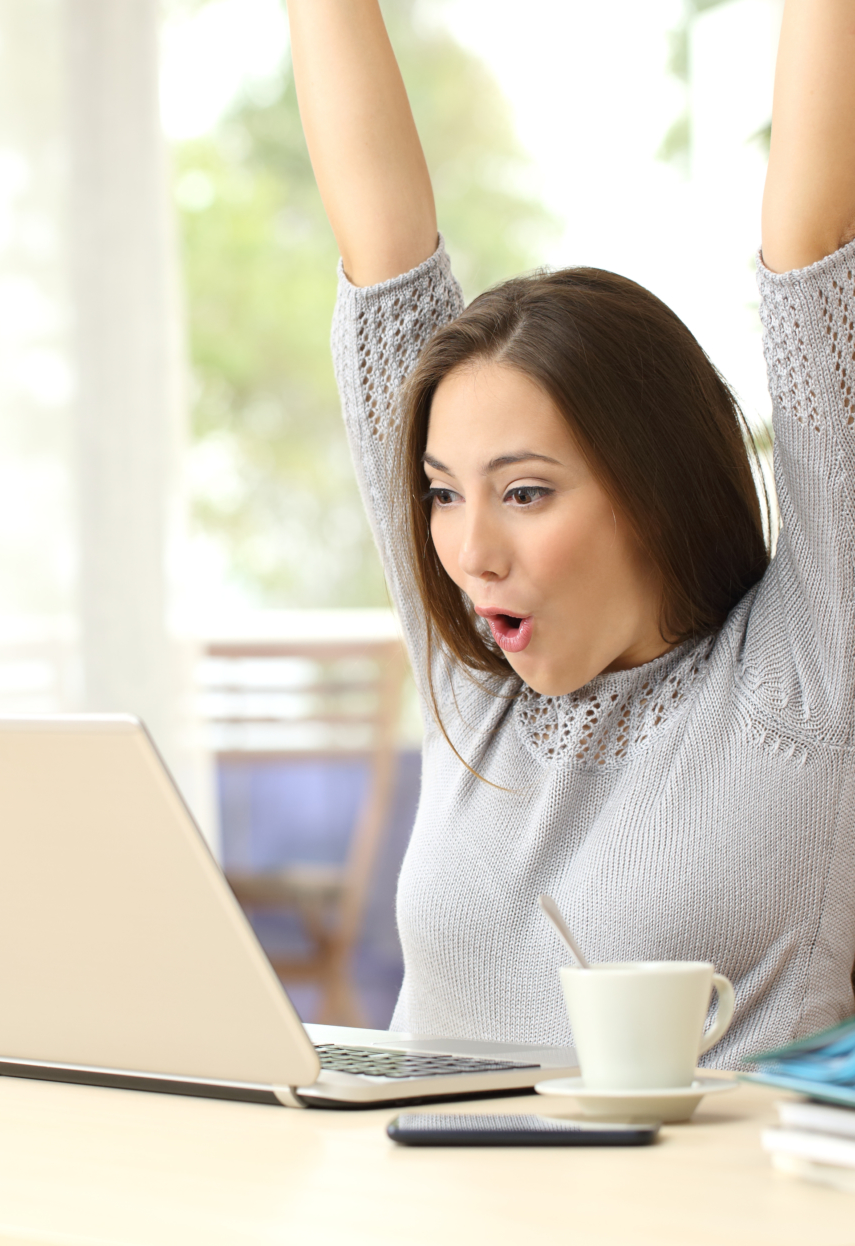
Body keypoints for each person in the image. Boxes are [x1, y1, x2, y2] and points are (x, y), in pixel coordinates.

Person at [286, 0, 855, 1065]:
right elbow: (380, 251)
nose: (467, 553)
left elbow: (814, 254)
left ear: (653, 488)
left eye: (527, 492)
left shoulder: (805, 668)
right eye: (443, 492)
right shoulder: (473, 678)